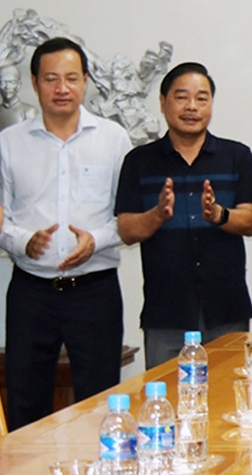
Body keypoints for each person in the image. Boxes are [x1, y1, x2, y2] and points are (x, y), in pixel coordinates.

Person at [0, 37, 131, 430]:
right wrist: (22, 240)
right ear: (35, 82)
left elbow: (126, 216)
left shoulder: (114, 139)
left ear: (86, 81)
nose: (62, 88)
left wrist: (97, 239)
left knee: (101, 402)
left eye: (72, 78)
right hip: (31, 293)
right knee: (24, 399)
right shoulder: (8, 143)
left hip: (95, 290)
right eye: (51, 78)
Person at [115, 63, 252, 368]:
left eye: (202, 98)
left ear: (211, 104)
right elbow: (127, 229)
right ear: (163, 101)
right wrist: (156, 215)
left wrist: (219, 214)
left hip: (226, 309)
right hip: (166, 312)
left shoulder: (236, 156)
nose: (192, 107)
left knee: (229, 401)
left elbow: (249, 221)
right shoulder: (139, 161)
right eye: (182, 97)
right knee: (165, 403)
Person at [0, 63, 38, 131]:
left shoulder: (29, 112)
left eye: (12, 82)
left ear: (18, 85)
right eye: (3, 83)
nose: (7, 87)